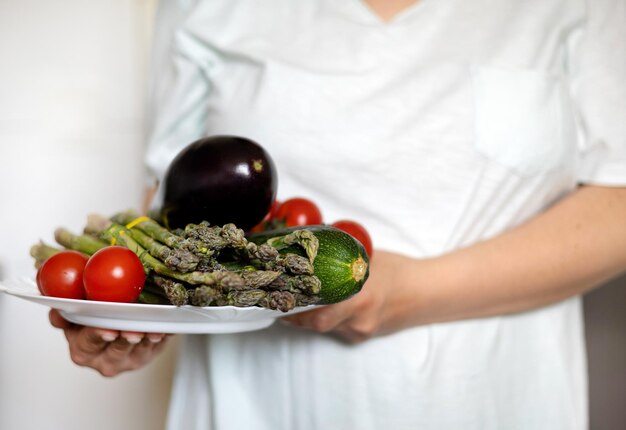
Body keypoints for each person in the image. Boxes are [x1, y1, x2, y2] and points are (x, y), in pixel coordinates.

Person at [50, 0, 626, 428]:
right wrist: (134, 322)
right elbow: (175, 208)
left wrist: (413, 291)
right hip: (252, 409)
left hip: (498, 401)